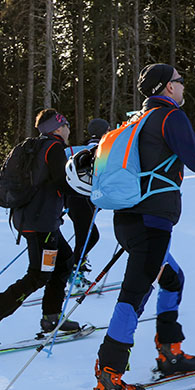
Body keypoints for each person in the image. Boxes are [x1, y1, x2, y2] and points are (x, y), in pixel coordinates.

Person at [91, 63, 195, 390]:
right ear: (166, 87)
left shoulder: (136, 119)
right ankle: (109, 379)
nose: (183, 86)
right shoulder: (169, 117)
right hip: (152, 222)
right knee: (134, 294)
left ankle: (169, 353)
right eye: (180, 81)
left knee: (172, 279)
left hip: (129, 219)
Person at [0, 109, 82, 351]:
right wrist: (90, 190)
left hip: (32, 220)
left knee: (64, 260)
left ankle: (51, 316)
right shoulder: (53, 149)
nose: (68, 130)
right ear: (57, 127)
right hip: (42, 224)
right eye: (66, 126)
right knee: (39, 274)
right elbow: (64, 183)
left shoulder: (35, 147)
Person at [64, 118, 109, 285]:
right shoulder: (104, 150)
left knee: (85, 237)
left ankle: (77, 274)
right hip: (83, 201)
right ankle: (73, 276)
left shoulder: (75, 150)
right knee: (90, 236)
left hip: (71, 200)